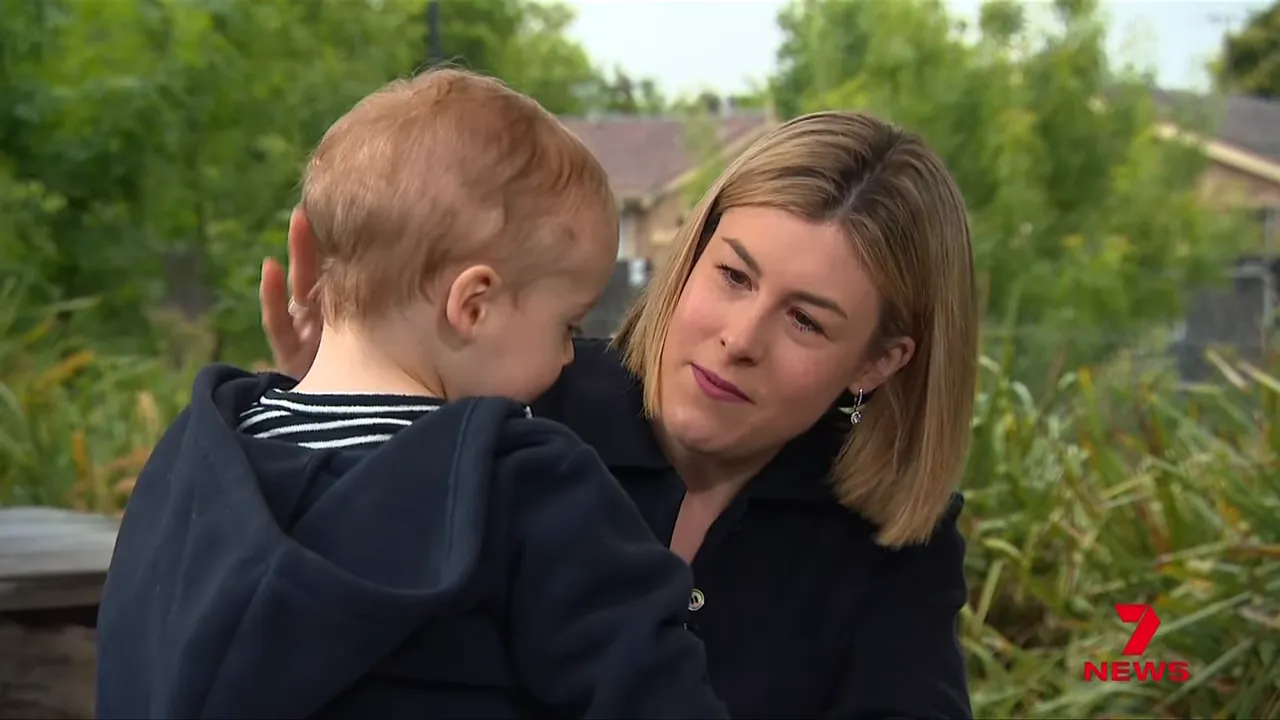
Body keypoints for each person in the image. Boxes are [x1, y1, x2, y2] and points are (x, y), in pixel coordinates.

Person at [262, 110, 980, 718]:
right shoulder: (512, 399)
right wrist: (349, 407)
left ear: (877, 363)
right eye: (733, 276)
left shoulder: (890, 544)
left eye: (805, 322)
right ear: (689, 258)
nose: (739, 339)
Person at [95, 68, 730, 720]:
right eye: (566, 327)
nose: (570, 357)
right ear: (473, 304)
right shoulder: (525, 486)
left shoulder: (193, 465)